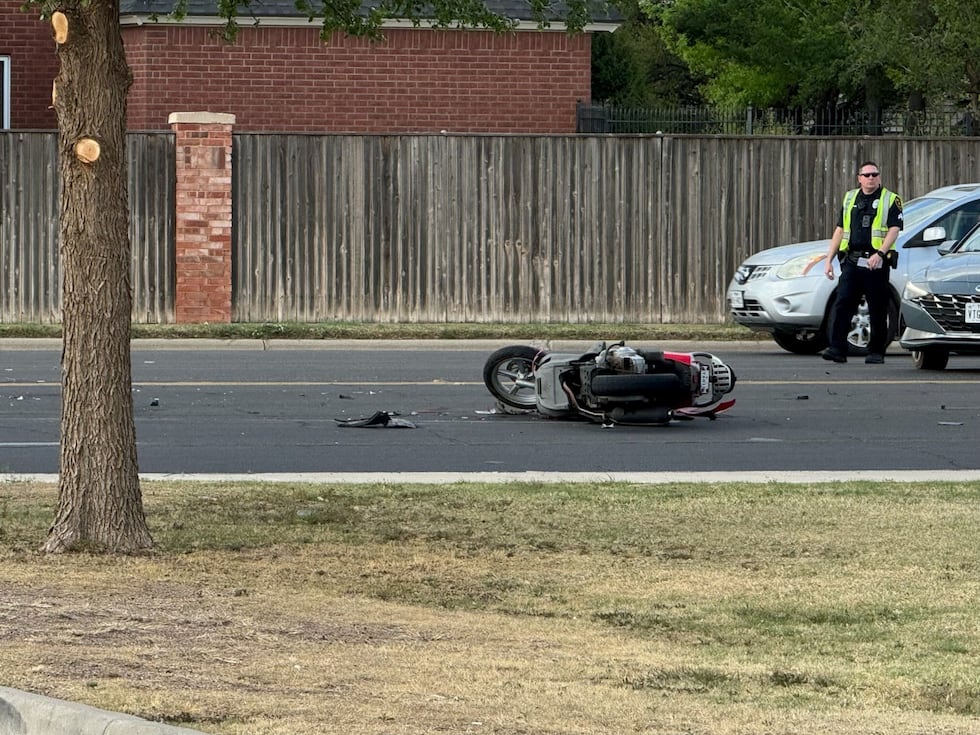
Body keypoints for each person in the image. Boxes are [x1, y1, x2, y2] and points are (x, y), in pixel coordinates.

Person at [821, 161, 903, 364]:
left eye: (874, 174)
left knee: (877, 308)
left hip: (875, 261)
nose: (871, 178)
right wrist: (828, 260)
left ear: (879, 177)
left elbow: (894, 229)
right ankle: (837, 349)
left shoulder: (890, 199)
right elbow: (840, 229)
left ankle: (876, 351)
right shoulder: (850, 198)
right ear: (859, 178)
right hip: (852, 260)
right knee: (843, 304)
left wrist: (881, 254)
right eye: (866, 175)